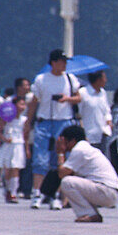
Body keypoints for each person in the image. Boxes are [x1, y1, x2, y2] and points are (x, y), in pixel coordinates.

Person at [25, 49, 81, 209]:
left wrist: (67, 99)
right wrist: (29, 121)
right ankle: (37, 193)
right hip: (44, 121)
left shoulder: (70, 79)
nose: (64, 65)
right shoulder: (42, 79)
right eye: (61, 61)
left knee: (60, 158)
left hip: (63, 121)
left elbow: (78, 98)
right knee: (40, 158)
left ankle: (55, 194)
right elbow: (34, 101)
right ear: (53, 62)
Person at [55, 124, 118, 223]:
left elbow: (62, 174)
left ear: (72, 141)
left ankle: (89, 214)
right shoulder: (85, 148)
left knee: (67, 182)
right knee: (72, 181)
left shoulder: (79, 150)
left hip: (106, 191)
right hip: (110, 191)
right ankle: (91, 213)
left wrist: (60, 153)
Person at [0, 95, 29, 203]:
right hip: (8, 145)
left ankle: (13, 192)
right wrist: (4, 139)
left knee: (16, 168)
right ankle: (8, 189)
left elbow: (26, 136)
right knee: (8, 169)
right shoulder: (6, 118)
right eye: (21, 104)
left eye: (24, 104)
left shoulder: (24, 119)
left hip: (19, 145)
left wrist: (27, 149)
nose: (22, 107)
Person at [79, 70, 112, 152]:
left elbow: (106, 110)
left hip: (102, 134)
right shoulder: (83, 93)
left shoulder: (103, 93)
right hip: (88, 135)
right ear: (98, 80)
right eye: (104, 78)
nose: (106, 80)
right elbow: (78, 114)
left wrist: (108, 120)